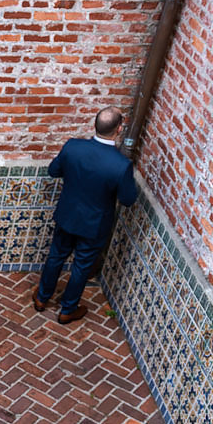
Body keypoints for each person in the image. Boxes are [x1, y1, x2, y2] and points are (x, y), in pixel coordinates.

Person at [32, 106, 138, 325]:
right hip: (95, 224)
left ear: (95, 125)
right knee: (81, 266)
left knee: (56, 256)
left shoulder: (73, 147)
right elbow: (128, 199)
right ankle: (67, 310)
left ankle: (42, 298)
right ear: (119, 129)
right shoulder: (121, 165)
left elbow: (54, 171)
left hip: (68, 215)